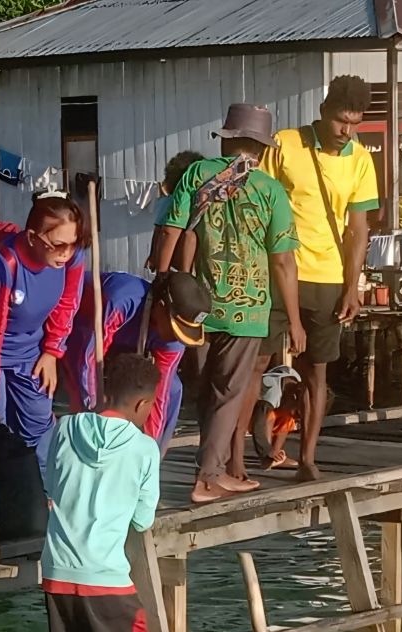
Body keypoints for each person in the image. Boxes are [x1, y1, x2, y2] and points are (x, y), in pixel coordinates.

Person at [155, 104, 304, 503]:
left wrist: (164, 279)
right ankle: (207, 477)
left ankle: (212, 468)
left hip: (198, 304)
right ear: (261, 146)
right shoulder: (270, 190)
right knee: (228, 393)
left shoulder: (197, 175)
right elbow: (283, 261)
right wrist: (295, 319)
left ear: (227, 138)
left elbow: (173, 230)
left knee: (207, 392)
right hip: (249, 308)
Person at [41, 353, 162, 632]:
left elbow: (51, 486)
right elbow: (142, 521)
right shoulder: (143, 447)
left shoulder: (66, 428)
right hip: (107, 578)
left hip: (58, 571)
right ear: (142, 405)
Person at [261, 75, 379, 482]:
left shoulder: (360, 159)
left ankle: (308, 459)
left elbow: (358, 229)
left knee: (318, 372)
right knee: (254, 362)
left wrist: (353, 286)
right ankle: (233, 461)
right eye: (341, 121)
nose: (347, 131)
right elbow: (260, 198)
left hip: (329, 278)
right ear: (324, 112)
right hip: (280, 270)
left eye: (355, 123)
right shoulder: (285, 144)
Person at [0, 191, 86, 473]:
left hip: (31, 347)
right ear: (31, 238)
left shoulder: (73, 258)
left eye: (73, 244)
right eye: (58, 245)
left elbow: (67, 304)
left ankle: (42, 497)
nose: (66, 253)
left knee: (39, 425)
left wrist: (52, 351)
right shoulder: (3, 264)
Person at [63, 270, 211, 454]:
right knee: (85, 397)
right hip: (81, 331)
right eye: (177, 328)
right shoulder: (122, 300)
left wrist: (148, 449)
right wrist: (95, 409)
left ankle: (153, 458)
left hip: (126, 349)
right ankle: (82, 450)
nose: (176, 337)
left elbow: (160, 393)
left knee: (173, 389)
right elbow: (90, 359)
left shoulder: (174, 341)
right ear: (161, 307)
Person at [146, 150, 205, 272]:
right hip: (183, 256)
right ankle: (185, 273)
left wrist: (153, 257)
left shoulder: (167, 201)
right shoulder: (171, 201)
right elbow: (163, 232)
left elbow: (159, 232)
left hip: (179, 256)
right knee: (190, 236)